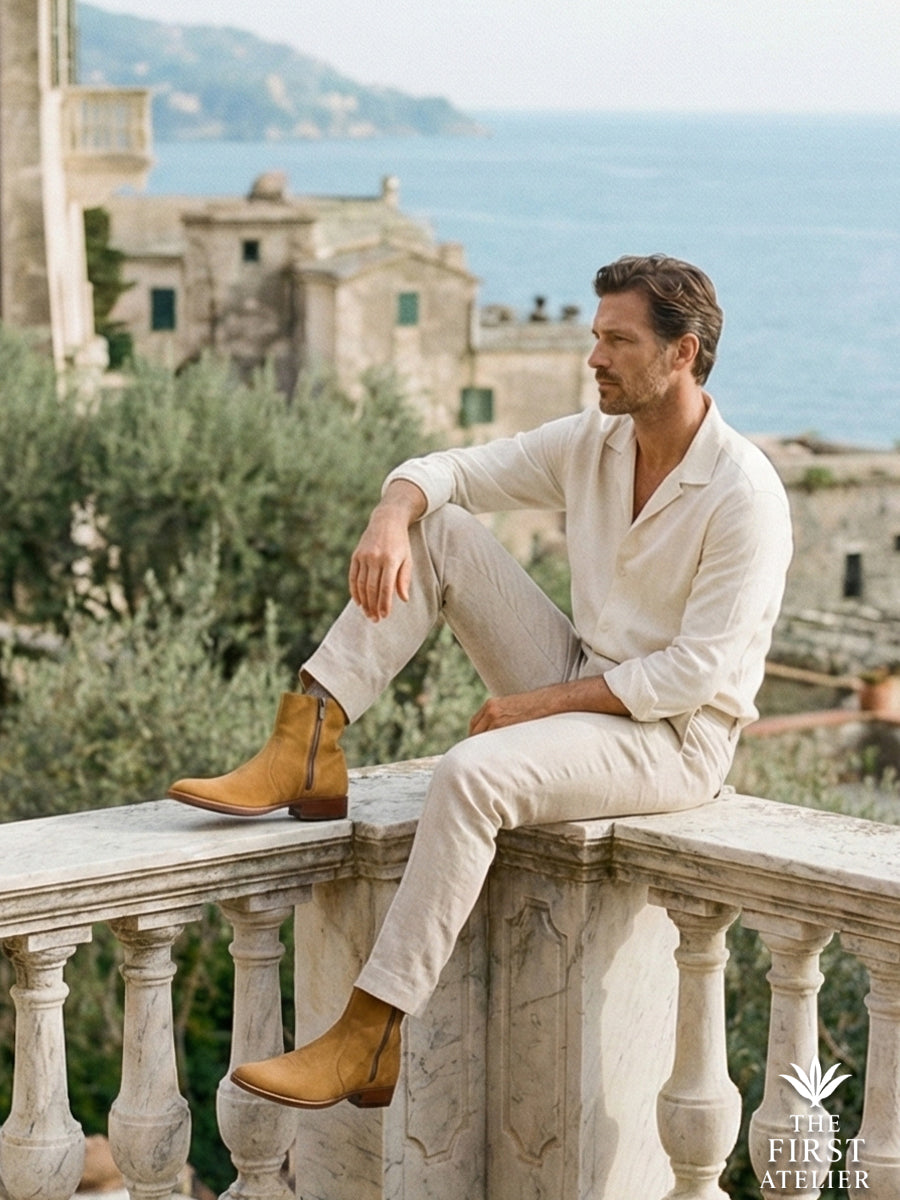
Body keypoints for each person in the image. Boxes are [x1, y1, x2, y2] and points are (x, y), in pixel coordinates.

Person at [168, 253, 793, 1111]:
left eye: (617, 340)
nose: (594, 358)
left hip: (675, 739)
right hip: (583, 676)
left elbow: (695, 672)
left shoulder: (743, 494)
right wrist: (392, 514)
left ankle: (371, 1030)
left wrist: (533, 707)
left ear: (682, 354)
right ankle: (307, 741)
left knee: (470, 774)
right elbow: (452, 469)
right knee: (442, 530)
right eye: (594, 337)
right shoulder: (594, 441)